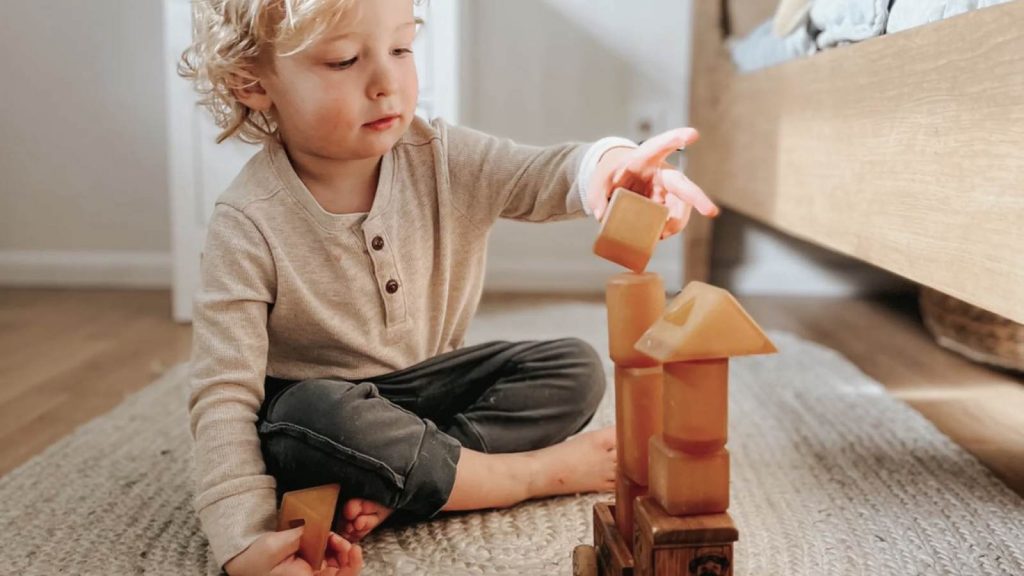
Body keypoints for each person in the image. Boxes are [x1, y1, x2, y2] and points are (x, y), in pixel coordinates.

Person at [180, 0, 718, 574]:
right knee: (311, 410)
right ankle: (517, 477)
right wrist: (242, 541)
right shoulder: (247, 221)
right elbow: (223, 394)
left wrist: (614, 167)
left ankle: (410, 483)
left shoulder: (443, 157)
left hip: (428, 394)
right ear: (251, 83)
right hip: (326, 426)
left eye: (401, 48)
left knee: (573, 366)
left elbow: (545, 173)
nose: (387, 83)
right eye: (343, 61)